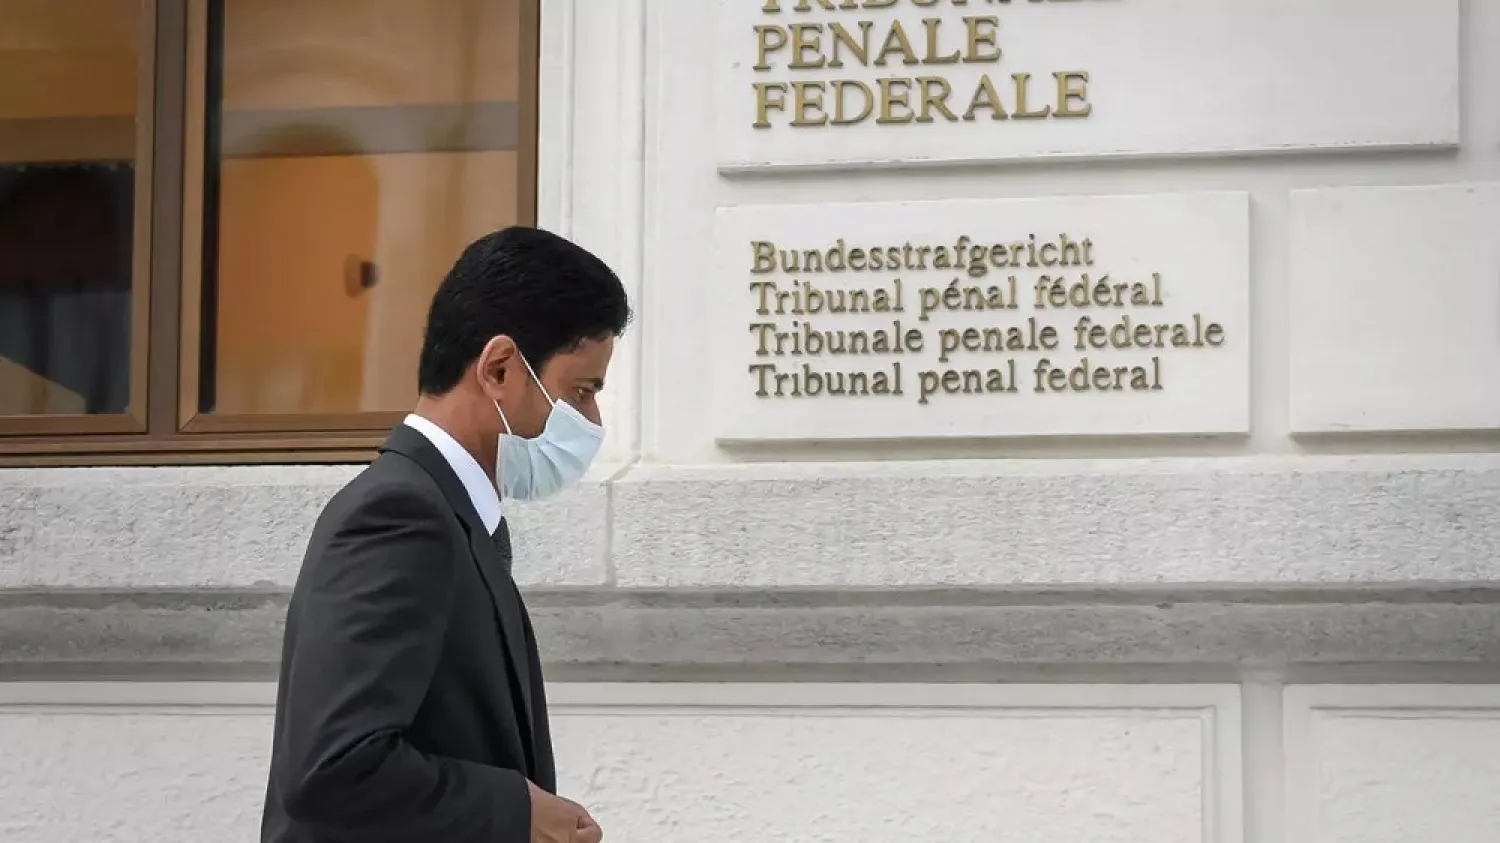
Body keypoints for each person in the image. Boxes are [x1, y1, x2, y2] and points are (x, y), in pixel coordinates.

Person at [260, 226, 631, 843]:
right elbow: (332, 767)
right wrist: (517, 810)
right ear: (500, 368)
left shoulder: (455, 518)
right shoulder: (399, 516)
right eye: (581, 391)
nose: (592, 421)